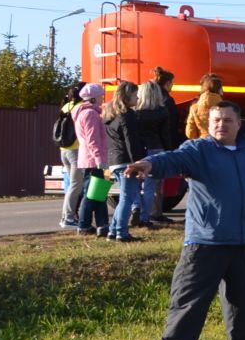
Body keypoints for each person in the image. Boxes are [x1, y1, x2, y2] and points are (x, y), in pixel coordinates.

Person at [123, 101, 245, 340]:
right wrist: (148, 164)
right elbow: (171, 159)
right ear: (209, 125)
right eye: (216, 120)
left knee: (241, 308)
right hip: (204, 245)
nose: (221, 124)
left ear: (239, 123)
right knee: (186, 308)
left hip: (242, 245)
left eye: (227, 120)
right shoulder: (198, 150)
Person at [131, 70, 178, 227]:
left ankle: (136, 207)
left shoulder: (135, 114)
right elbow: (165, 135)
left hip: (139, 150)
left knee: (135, 184)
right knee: (152, 187)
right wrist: (169, 151)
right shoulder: (162, 111)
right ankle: (146, 218)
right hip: (156, 149)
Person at [103, 81, 144, 242]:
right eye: (135, 95)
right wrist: (137, 163)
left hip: (114, 160)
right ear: (127, 97)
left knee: (125, 196)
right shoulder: (128, 115)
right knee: (128, 197)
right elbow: (131, 141)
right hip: (126, 160)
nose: (138, 98)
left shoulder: (110, 115)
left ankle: (113, 230)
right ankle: (121, 232)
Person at [70, 83, 110, 236]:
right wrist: (100, 159)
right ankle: (84, 225)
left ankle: (102, 225)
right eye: (101, 96)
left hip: (93, 159)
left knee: (100, 193)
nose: (102, 99)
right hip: (95, 160)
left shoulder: (86, 113)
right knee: (93, 194)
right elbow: (92, 140)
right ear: (92, 99)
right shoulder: (90, 115)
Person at [56, 82, 84, 230]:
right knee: (76, 186)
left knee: (73, 185)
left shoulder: (66, 106)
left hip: (64, 150)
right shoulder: (80, 108)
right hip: (76, 150)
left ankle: (66, 216)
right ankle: (68, 217)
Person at [184, 74, 224, 141]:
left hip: (202, 143)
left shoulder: (194, 108)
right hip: (221, 144)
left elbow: (190, 133)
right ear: (219, 89)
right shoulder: (226, 108)